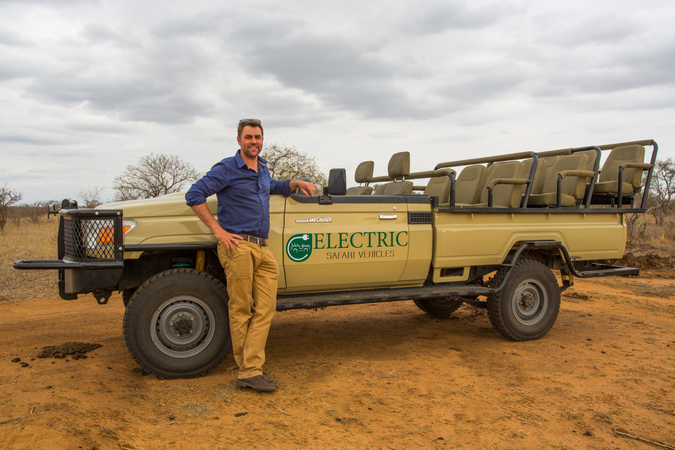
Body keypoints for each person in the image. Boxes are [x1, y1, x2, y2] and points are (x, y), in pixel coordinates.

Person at [185, 119, 316, 392]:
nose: (253, 141)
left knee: (265, 309)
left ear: (262, 140)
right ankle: (250, 371)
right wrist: (219, 232)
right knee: (241, 309)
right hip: (238, 247)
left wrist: (295, 182)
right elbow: (194, 194)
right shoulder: (227, 168)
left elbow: (274, 187)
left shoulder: (263, 168)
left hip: (262, 248)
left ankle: (250, 368)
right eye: (248, 137)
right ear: (238, 140)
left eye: (257, 137)